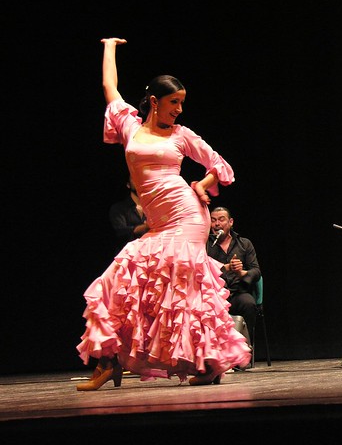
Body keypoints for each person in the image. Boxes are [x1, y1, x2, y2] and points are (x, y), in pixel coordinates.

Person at [76, 38, 252, 391]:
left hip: (187, 217)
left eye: (182, 103)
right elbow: (109, 86)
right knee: (118, 281)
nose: (179, 110)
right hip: (158, 223)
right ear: (154, 101)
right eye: (174, 102)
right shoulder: (129, 127)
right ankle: (108, 362)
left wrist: (203, 184)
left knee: (184, 292)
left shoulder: (181, 136)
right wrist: (109, 46)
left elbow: (221, 165)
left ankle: (209, 362)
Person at [206, 207, 261, 347]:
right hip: (214, 296)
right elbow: (200, 269)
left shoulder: (244, 244)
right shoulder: (205, 245)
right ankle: (216, 351)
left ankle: (245, 348)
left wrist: (242, 273)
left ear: (230, 222)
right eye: (213, 220)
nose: (216, 224)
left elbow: (256, 271)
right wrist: (225, 267)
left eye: (221, 219)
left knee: (248, 303)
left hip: (238, 292)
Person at [108, 175, 149, 249]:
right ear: (128, 185)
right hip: (128, 253)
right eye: (134, 179)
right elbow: (120, 232)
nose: (139, 182)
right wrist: (143, 227)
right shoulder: (118, 208)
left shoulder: (153, 207)